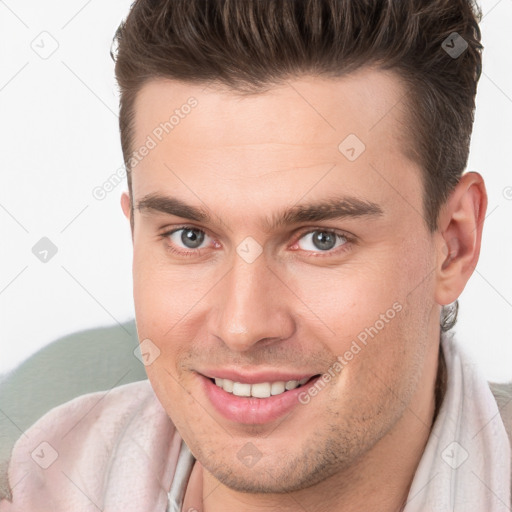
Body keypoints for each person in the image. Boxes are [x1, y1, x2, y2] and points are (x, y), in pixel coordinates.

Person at [1, 0, 511, 510]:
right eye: (190, 236)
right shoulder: (38, 481)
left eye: (321, 239)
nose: (243, 327)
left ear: (454, 244)